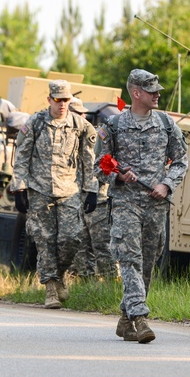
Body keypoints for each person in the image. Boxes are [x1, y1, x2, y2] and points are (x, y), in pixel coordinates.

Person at [96, 70, 188, 343]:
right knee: (129, 258)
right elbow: (99, 166)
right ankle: (140, 317)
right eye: (152, 90)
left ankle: (125, 320)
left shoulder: (166, 123)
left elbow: (181, 160)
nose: (158, 94)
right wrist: (118, 175)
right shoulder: (112, 126)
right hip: (126, 202)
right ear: (136, 93)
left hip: (156, 204)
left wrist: (167, 184)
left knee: (148, 261)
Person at [11, 80, 98, 309]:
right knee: (44, 240)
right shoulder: (36, 123)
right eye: (57, 100)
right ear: (49, 99)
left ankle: (58, 274)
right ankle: (50, 288)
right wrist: (19, 188)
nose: (62, 105)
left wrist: (91, 190)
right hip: (40, 190)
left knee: (71, 239)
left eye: (66, 100)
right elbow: (22, 156)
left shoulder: (80, 125)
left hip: (70, 191)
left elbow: (89, 160)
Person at [71, 98, 114, 278]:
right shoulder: (66, 139)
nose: (82, 116)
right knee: (80, 246)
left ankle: (112, 283)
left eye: (83, 113)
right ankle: (84, 285)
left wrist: (95, 191)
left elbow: (103, 165)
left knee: (102, 245)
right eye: (78, 114)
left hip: (98, 199)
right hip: (76, 197)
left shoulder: (95, 136)